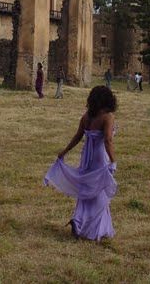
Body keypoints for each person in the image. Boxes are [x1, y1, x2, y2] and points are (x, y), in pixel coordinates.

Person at [44, 86, 117, 241]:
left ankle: (78, 220)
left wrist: (64, 152)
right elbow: (108, 140)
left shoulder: (86, 117)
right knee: (99, 192)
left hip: (86, 157)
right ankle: (91, 228)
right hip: (98, 156)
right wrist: (113, 161)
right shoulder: (108, 117)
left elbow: (77, 137)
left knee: (85, 189)